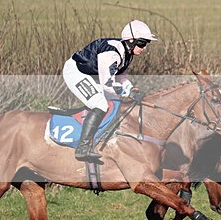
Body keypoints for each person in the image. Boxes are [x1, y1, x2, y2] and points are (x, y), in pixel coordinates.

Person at [62, 19, 158, 162]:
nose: (144, 47)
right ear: (131, 40)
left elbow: (121, 77)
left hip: (93, 76)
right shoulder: (111, 52)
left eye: (146, 44)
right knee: (100, 104)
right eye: (142, 43)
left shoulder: (127, 53)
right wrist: (127, 93)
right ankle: (83, 147)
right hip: (77, 73)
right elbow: (108, 83)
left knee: (116, 103)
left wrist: (132, 89)